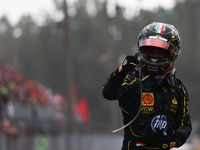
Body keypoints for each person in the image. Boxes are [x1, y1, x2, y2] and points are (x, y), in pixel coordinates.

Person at [102, 22, 192, 150]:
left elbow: (185, 127)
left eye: (160, 51)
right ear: (140, 47)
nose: (154, 56)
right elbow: (108, 93)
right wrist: (120, 71)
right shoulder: (133, 78)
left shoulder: (178, 88)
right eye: (150, 50)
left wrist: (170, 141)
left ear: (174, 53)